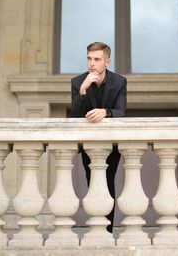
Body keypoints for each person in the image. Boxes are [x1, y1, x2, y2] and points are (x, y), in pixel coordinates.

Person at [70, 42, 127, 232]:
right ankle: (97, 226)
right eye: (89, 58)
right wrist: (83, 90)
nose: (91, 63)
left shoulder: (119, 81)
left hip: (112, 143)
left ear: (107, 61)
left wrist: (106, 112)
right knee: (92, 182)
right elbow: (75, 115)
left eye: (96, 59)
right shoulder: (78, 82)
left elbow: (121, 112)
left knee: (109, 182)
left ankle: (107, 230)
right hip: (88, 144)